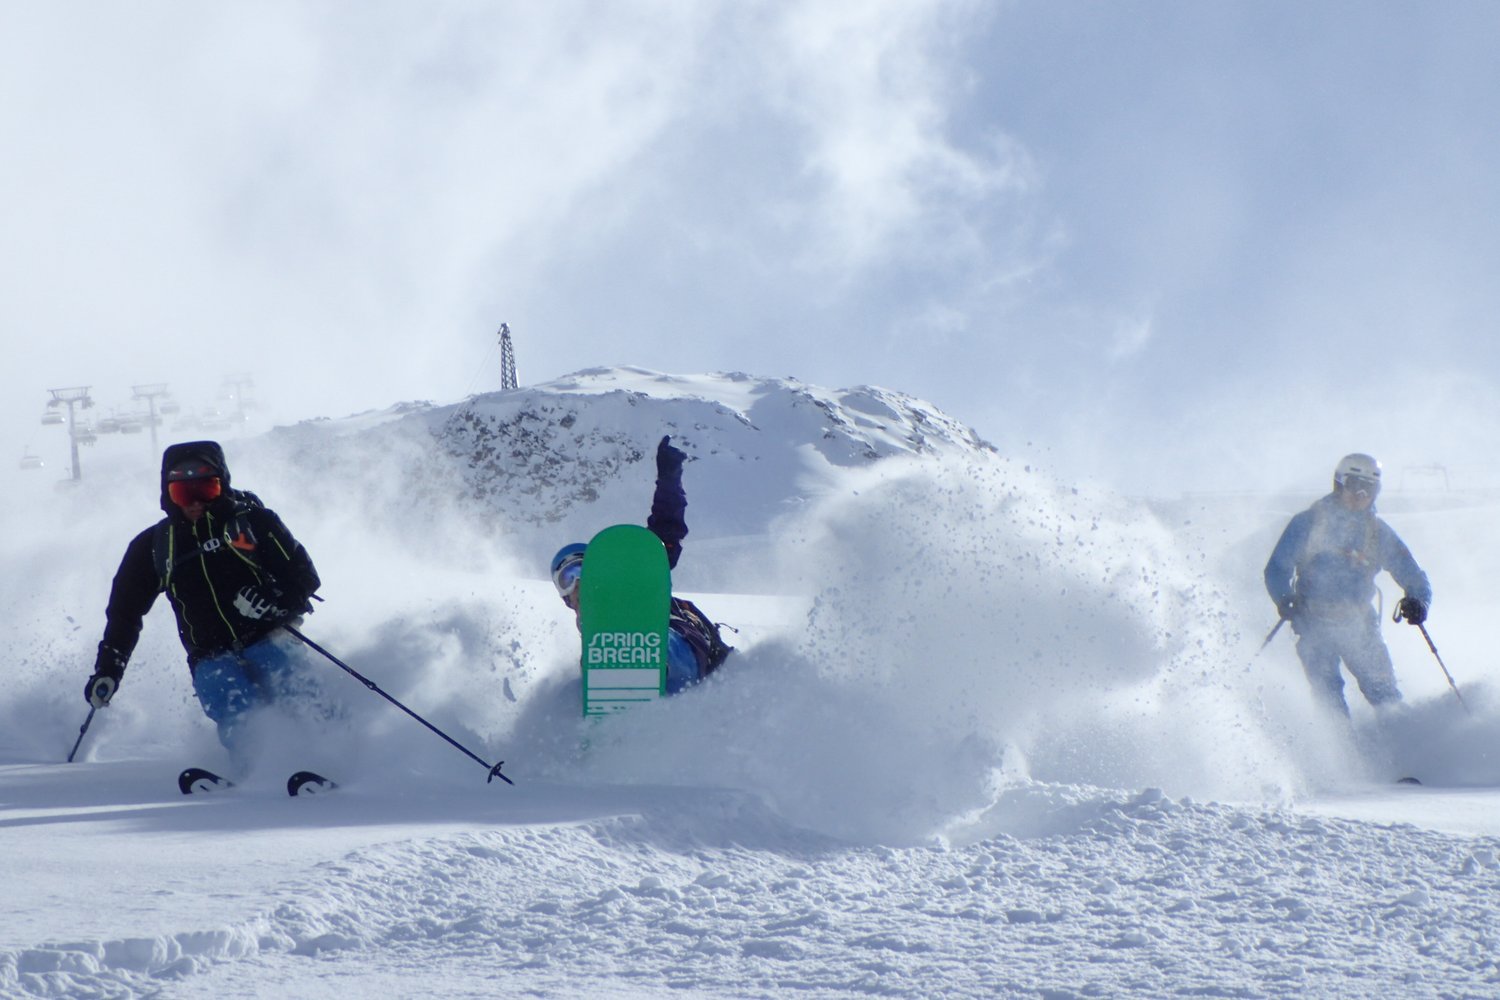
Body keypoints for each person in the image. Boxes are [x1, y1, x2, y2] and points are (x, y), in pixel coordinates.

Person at [83, 441, 324, 758]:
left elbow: (305, 578)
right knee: (234, 709)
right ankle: (259, 770)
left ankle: (330, 753)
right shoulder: (154, 546)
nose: (195, 503)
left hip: (270, 637)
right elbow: (124, 614)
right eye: (183, 493)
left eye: (206, 490)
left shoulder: (255, 523)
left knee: (297, 693)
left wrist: (273, 601)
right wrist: (108, 670)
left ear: (222, 484)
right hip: (210, 656)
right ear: (167, 494)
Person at [550, 435, 731, 695]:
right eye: (568, 577)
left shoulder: (630, 581)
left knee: (647, 638)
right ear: (564, 596)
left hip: (683, 643)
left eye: (584, 571)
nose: (578, 582)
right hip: (619, 668)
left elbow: (661, 542)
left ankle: (655, 664)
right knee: (589, 661)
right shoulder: (592, 632)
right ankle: (615, 696)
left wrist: (669, 481)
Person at [1264, 452, 1432, 716]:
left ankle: (1401, 741)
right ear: (1340, 484)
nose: (1361, 494)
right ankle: (1343, 751)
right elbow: (1277, 568)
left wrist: (1418, 600)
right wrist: (1284, 597)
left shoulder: (1378, 532)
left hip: (1360, 624)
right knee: (1329, 697)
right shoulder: (1308, 523)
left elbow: (1412, 573)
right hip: (1313, 622)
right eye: (1355, 485)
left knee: (1384, 693)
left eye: (1370, 488)